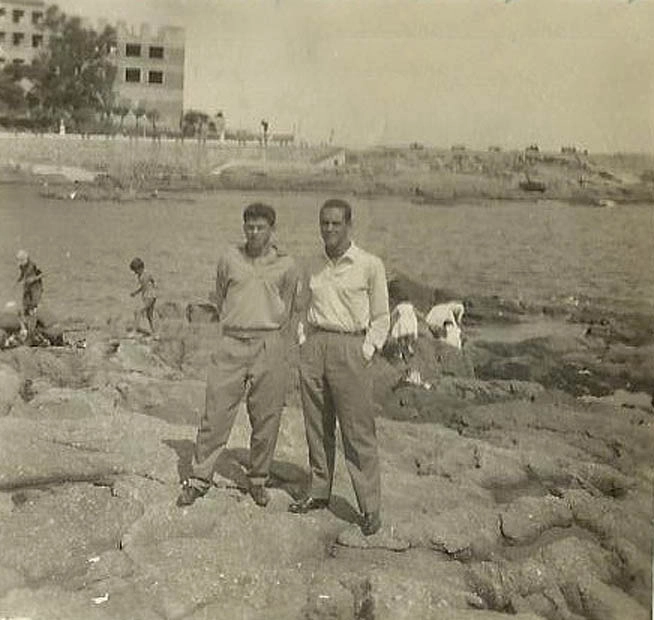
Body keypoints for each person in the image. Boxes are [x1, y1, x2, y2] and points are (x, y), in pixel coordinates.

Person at [177, 203, 299, 508]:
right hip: (231, 343)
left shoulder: (287, 265)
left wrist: (275, 340)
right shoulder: (229, 257)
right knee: (215, 413)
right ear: (244, 228)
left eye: (261, 227)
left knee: (266, 417)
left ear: (272, 230)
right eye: (250, 227)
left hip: (268, 344)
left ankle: (258, 479)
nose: (254, 233)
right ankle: (199, 478)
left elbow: (290, 305)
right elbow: (220, 295)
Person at [289, 198, 390, 536]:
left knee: (357, 430)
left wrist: (368, 348)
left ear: (349, 225)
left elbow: (381, 316)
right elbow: (301, 305)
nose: (329, 229)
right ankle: (319, 491)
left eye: (335, 223)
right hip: (316, 344)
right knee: (316, 424)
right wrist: (303, 338)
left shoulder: (369, 264)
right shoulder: (311, 264)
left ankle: (369, 507)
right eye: (324, 223)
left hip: (351, 347)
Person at [15, 250, 43, 342]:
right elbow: (23, 274)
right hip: (27, 287)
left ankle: (33, 328)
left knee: (33, 306)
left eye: (22, 260)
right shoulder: (22, 266)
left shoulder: (32, 265)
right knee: (25, 305)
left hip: (35, 287)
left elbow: (39, 275)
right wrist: (19, 280)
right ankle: (26, 325)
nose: (20, 263)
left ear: (26, 259)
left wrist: (32, 279)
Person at [129, 257, 157, 335]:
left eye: (135, 271)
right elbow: (151, 281)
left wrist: (135, 292)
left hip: (149, 296)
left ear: (140, 268)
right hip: (151, 296)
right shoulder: (145, 274)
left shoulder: (144, 275)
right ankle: (155, 333)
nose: (135, 273)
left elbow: (143, 286)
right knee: (149, 315)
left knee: (138, 311)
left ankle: (134, 331)